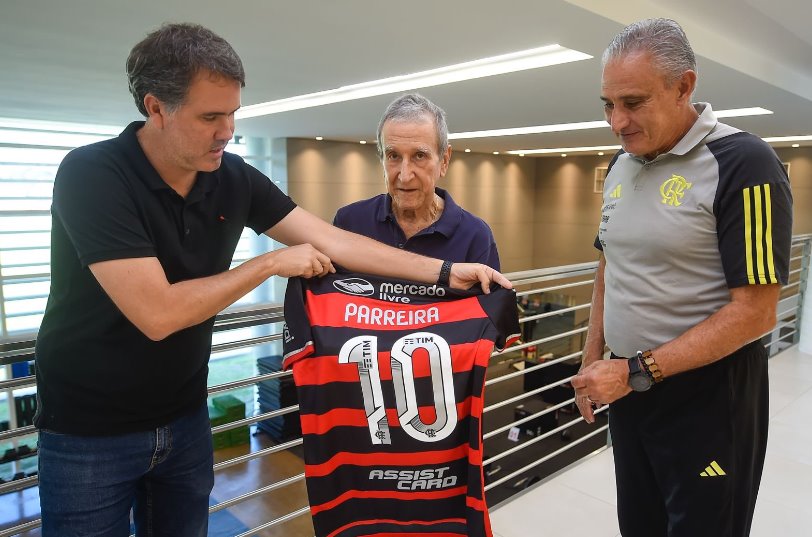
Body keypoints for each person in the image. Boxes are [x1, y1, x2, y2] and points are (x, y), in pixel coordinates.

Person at [33, 23, 509, 537]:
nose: (228, 131)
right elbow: (157, 313)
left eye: (233, 113)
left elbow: (338, 243)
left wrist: (443, 271)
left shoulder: (231, 176)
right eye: (211, 117)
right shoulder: (92, 175)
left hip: (184, 417)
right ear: (156, 107)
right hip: (89, 433)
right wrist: (267, 264)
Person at [570, 18, 792, 537]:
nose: (616, 122)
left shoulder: (745, 162)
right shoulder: (622, 164)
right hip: (630, 389)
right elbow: (611, 263)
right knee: (640, 524)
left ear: (684, 86)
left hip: (710, 398)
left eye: (633, 102)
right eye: (607, 104)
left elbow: (757, 310)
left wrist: (637, 370)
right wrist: (593, 356)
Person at [333, 93, 500, 269]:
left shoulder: (475, 236)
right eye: (394, 156)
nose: (405, 176)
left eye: (419, 156)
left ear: (444, 160)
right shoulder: (349, 222)